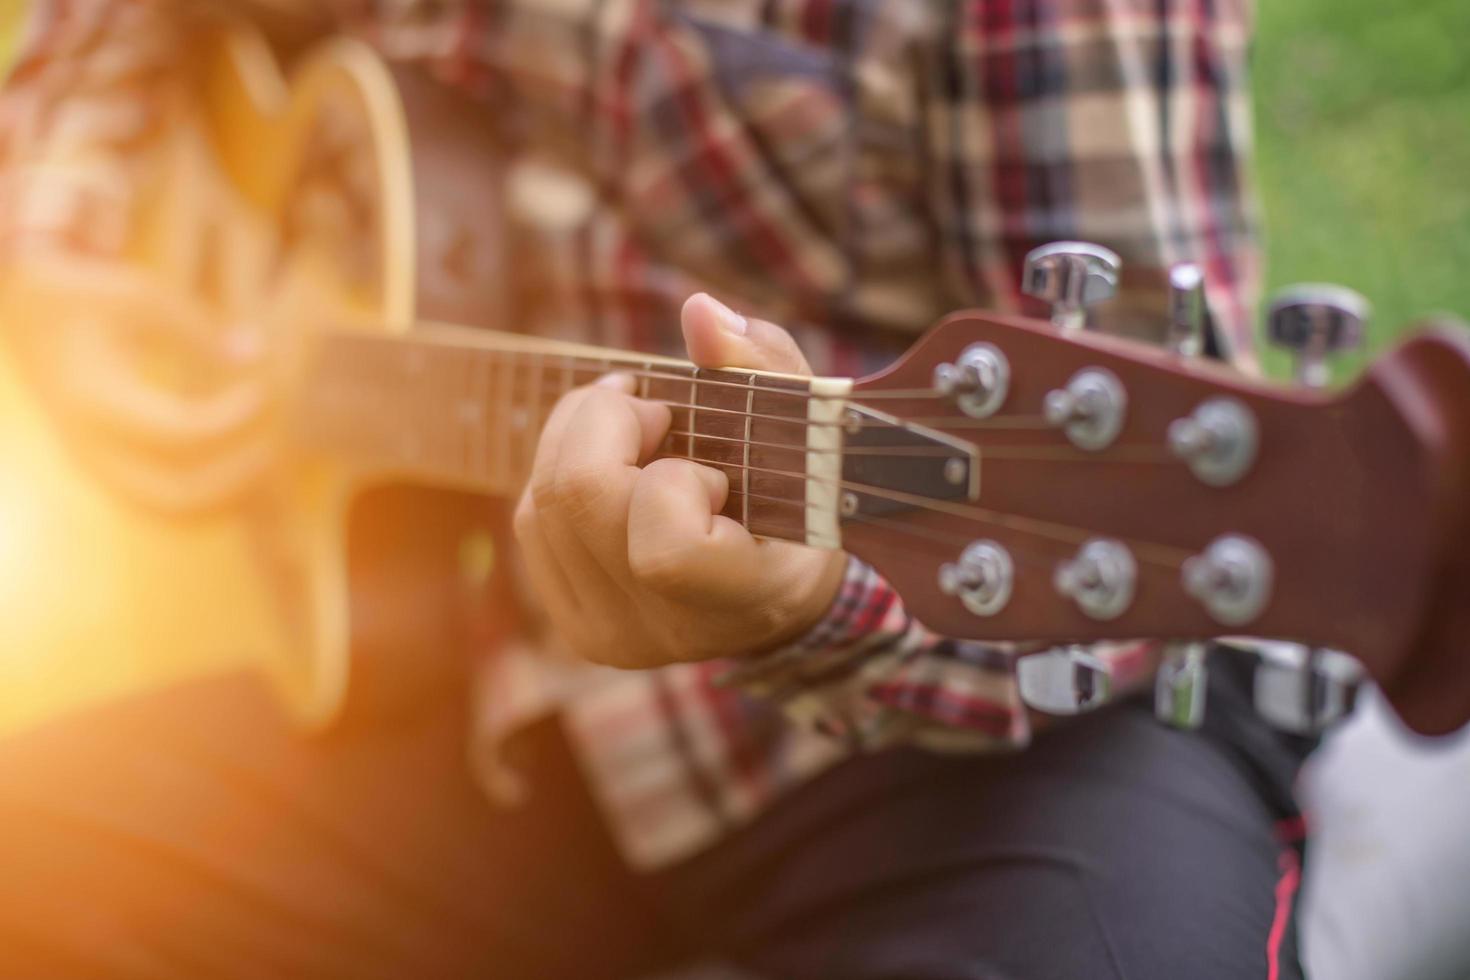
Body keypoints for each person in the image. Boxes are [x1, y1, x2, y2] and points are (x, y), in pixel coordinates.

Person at [0, 1, 1312, 977]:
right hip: (510, 716)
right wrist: (54, 247)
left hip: (984, 728)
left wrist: (808, 605)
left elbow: (1134, 486)